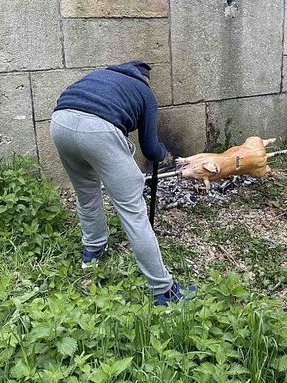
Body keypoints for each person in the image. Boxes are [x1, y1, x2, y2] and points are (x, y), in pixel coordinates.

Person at [50, 60, 195, 306]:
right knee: (132, 210)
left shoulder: (98, 75)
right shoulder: (144, 92)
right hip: (99, 131)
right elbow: (150, 148)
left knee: (86, 194)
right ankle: (164, 291)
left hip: (60, 123)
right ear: (145, 77)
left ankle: (92, 252)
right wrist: (162, 153)